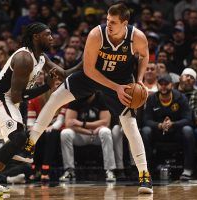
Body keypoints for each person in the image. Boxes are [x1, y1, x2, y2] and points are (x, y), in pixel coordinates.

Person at [18, 3, 153, 194]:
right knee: (55, 99)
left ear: (125, 23)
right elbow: (89, 70)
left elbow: (144, 56)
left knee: (130, 125)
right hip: (94, 76)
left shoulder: (137, 37)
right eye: (107, 20)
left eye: (113, 22)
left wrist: (139, 81)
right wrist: (116, 88)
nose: (109, 25)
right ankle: (30, 143)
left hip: (122, 80)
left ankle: (144, 175)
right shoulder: (96, 35)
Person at [0, 22, 80, 197]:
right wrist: (46, 87)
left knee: (18, 139)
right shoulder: (24, 58)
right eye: (48, 34)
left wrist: (88, 61)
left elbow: (65, 73)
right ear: (36, 37)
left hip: (10, 100)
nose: (52, 37)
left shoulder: (42, 57)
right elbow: (16, 97)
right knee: (20, 137)